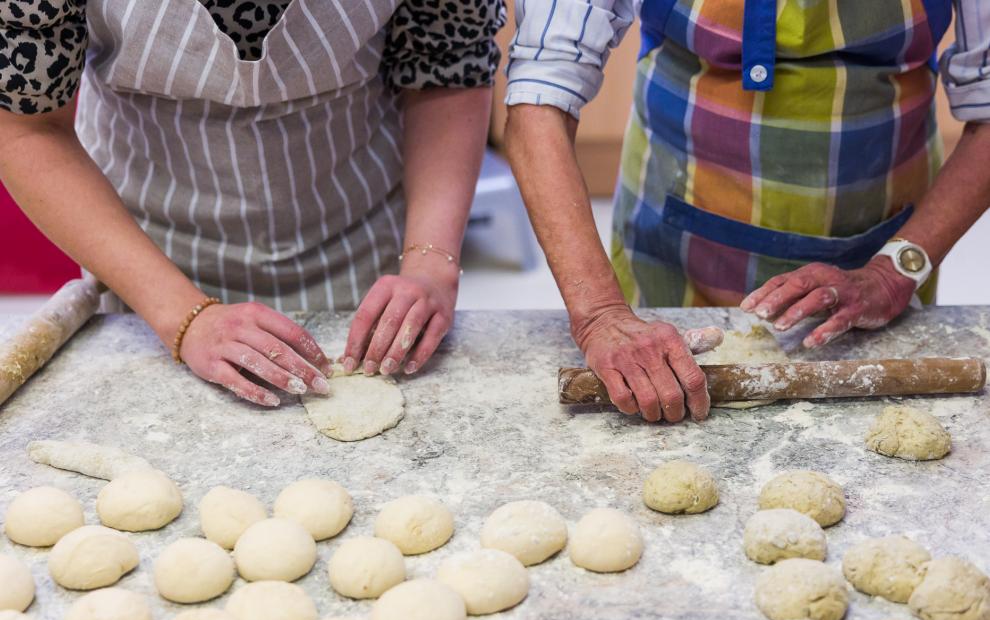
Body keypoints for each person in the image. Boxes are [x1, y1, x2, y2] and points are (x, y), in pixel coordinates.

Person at [504, 0, 990, 423]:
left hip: (885, 232)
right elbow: (540, 95)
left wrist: (895, 271)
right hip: (678, 233)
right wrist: (601, 314)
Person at [0, 0, 504, 407]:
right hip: (146, 248)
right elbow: (26, 128)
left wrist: (429, 260)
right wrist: (182, 315)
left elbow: (446, 67)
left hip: (359, 237)